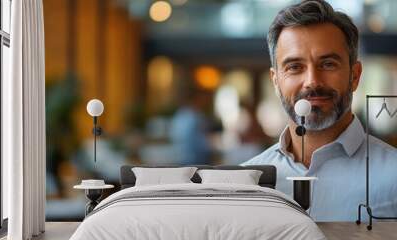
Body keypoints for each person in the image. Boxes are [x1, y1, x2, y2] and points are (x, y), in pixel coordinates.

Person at [242, 0, 397, 221]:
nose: (312, 81)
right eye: (295, 67)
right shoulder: (246, 183)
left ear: (354, 76)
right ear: (276, 81)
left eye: (328, 64)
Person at [169, 90, 213, 165]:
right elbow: (201, 141)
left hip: (181, 157)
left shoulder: (179, 115)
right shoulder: (194, 116)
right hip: (195, 158)